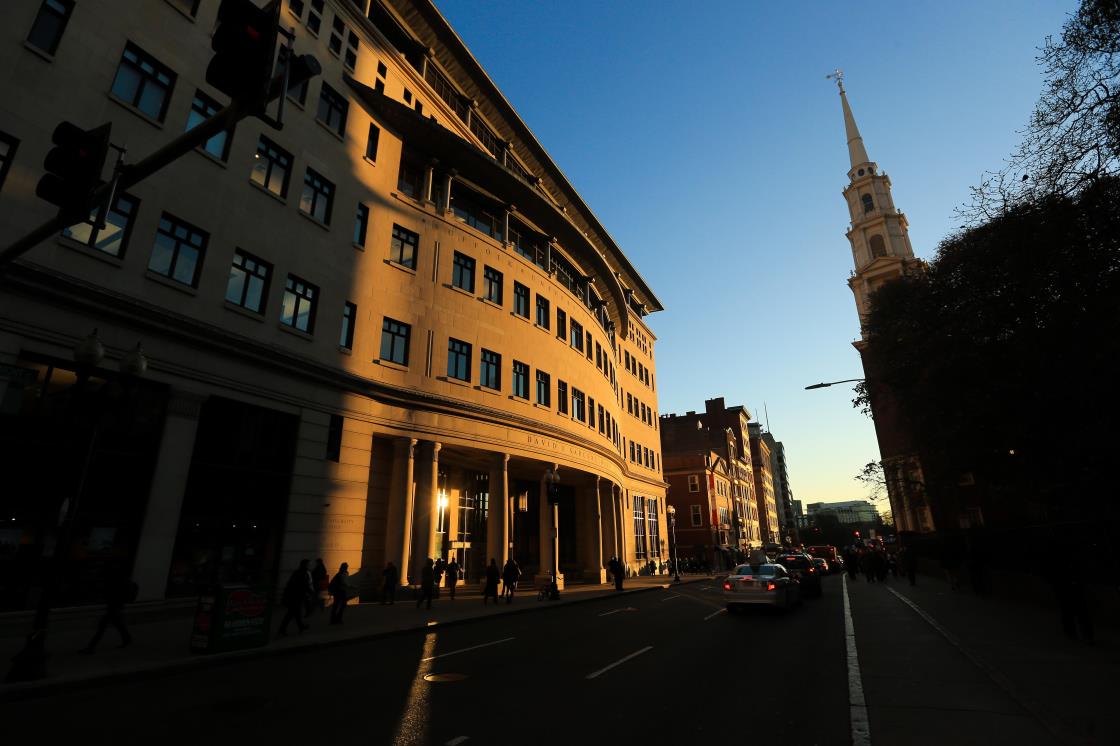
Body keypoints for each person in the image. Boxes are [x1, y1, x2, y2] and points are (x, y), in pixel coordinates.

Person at [80, 563, 135, 653]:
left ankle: (90, 648)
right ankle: (127, 639)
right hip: (115, 606)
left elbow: (112, 593)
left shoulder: (116, 581)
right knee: (117, 624)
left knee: (102, 628)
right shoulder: (120, 580)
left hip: (114, 607)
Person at [278, 559, 312, 636]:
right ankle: (282, 629)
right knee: (291, 613)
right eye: (308, 564)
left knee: (295, 613)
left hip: (294, 596)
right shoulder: (303, 573)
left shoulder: (297, 572)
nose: (310, 566)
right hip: (296, 596)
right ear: (305, 565)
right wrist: (311, 593)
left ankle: (300, 626)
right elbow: (304, 586)